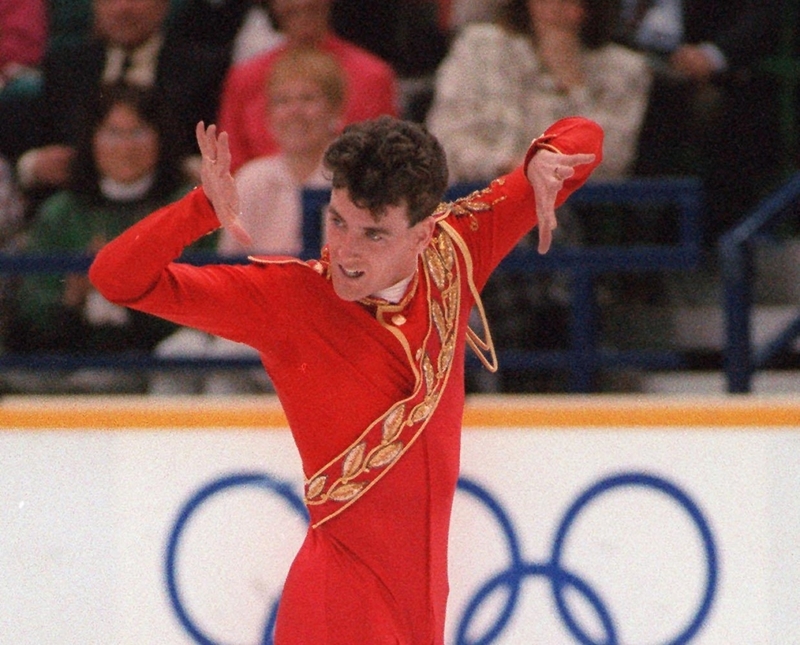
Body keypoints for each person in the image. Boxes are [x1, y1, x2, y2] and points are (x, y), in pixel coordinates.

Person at [89, 112, 601, 641]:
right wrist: (199, 211)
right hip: (337, 607)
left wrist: (541, 160)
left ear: (423, 233)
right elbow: (117, 278)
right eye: (337, 221)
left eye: (374, 234)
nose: (346, 251)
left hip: (419, 612)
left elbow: (585, 135)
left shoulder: (456, 249)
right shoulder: (289, 301)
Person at [150, 46, 346, 395]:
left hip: (327, 326)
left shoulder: (352, 181)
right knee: (175, 353)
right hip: (255, 317)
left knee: (231, 359)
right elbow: (230, 272)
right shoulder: (252, 178)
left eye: (308, 98)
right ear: (270, 114)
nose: (295, 111)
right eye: (283, 101)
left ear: (335, 111)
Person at [3, 83, 208, 393]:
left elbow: (202, 306)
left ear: (160, 138)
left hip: (150, 361)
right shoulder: (61, 211)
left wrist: (129, 289)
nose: (125, 147)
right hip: (64, 357)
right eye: (113, 133)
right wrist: (72, 297)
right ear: (92, 140)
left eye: (138, 132)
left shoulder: (187, 209)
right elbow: (29, 314)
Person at [10, 0, 229, 194]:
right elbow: (31, 146)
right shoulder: (65, 64)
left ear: (164, 5)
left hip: (174, 202)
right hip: (79, 204)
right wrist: (33, 165)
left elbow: (217, 150)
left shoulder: (204, 68)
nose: (123, 8)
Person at [613, 0, 783, 244]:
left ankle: (645, 241)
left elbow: (763, 14)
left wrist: (712, 56)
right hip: (607, 60)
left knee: (666, 107)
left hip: (687, 70)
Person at [427, 0, 651, 183]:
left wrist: (570, 80)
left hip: (572, 210)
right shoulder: (478, 45)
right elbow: (447, 143)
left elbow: (608, 162)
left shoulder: (625, 69)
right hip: (479, 197)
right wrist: (508, 165)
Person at [217, 0, 399, 172]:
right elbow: (229, 164)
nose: (301, 2)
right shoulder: (244, 78)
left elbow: (385, 163)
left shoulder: (373, 76)